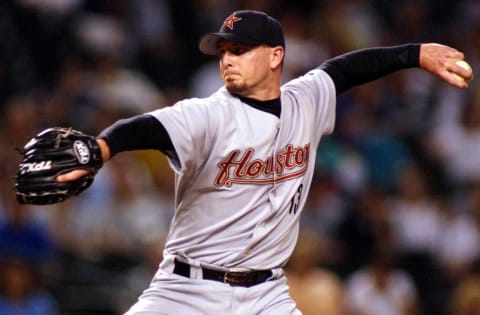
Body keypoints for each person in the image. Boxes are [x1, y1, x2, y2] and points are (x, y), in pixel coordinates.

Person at [56, 9, 473, 315]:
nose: (226, 59)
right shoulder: (208, 114)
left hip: (266, 295)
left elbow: (347, 69)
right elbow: (145, 127)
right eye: (223, 51)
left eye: (239, 50)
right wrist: (99, 149)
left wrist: (415, 53)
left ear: (275, 57)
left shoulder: (305, 101)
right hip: (185, 291)